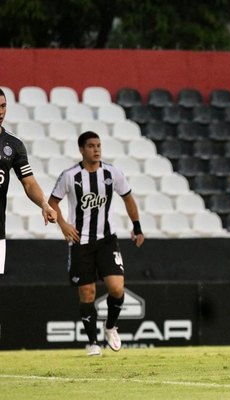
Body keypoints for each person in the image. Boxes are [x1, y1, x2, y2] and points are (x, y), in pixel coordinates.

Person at [48, 131, 144, 356]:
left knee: (117, 288)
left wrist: (137, 226)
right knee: (88, 293)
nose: (96, 149)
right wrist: (63, 224)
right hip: (80, 242)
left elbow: (128, 197)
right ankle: (92, 342)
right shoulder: (70, 176)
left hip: (106, 240)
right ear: (81, 149)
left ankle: (110, 326)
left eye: (98, 145)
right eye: (91, 146)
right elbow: (52, 203)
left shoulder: (112, 173)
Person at [0, 88, 57, 273]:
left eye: (3, 106)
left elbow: (29, 183)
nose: (1, 112)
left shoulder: (13, 145)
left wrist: (44, 204)